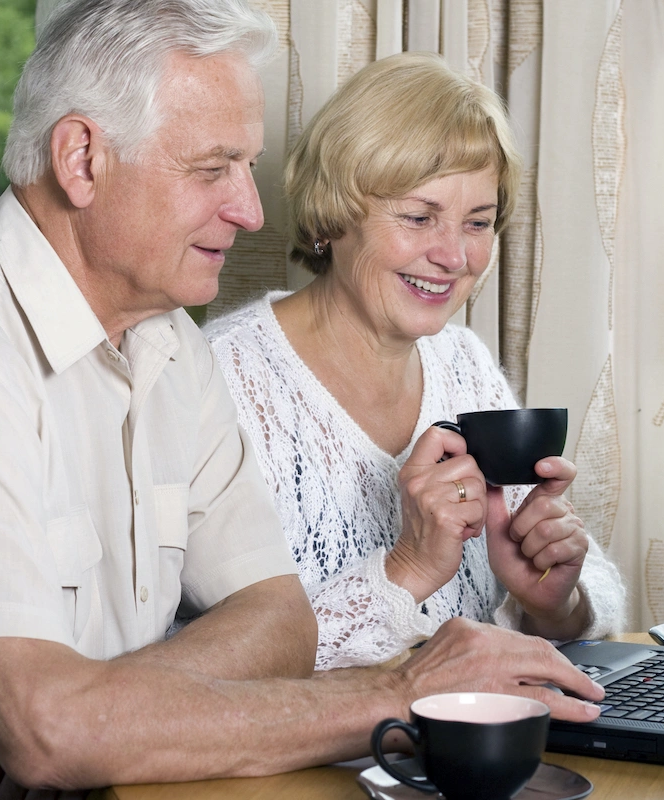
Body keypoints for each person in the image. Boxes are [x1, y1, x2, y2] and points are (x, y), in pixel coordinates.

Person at [0, 2, 605, 797]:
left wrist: (99, 721)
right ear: (82, 159)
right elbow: (45, 736)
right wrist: (401, 693)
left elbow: (279, 619)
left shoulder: (167, 343)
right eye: (213, 169)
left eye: (245, 168)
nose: (250, 211)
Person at [205, 52, 625, 671]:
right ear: (334, 212)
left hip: (461, 757)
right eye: (419, 216)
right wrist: (408, 570)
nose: (453, 256)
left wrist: (554, 604)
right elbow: (195, 675)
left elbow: (594, 590)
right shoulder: (217, 378)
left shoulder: (464, 362)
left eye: (478, 223)